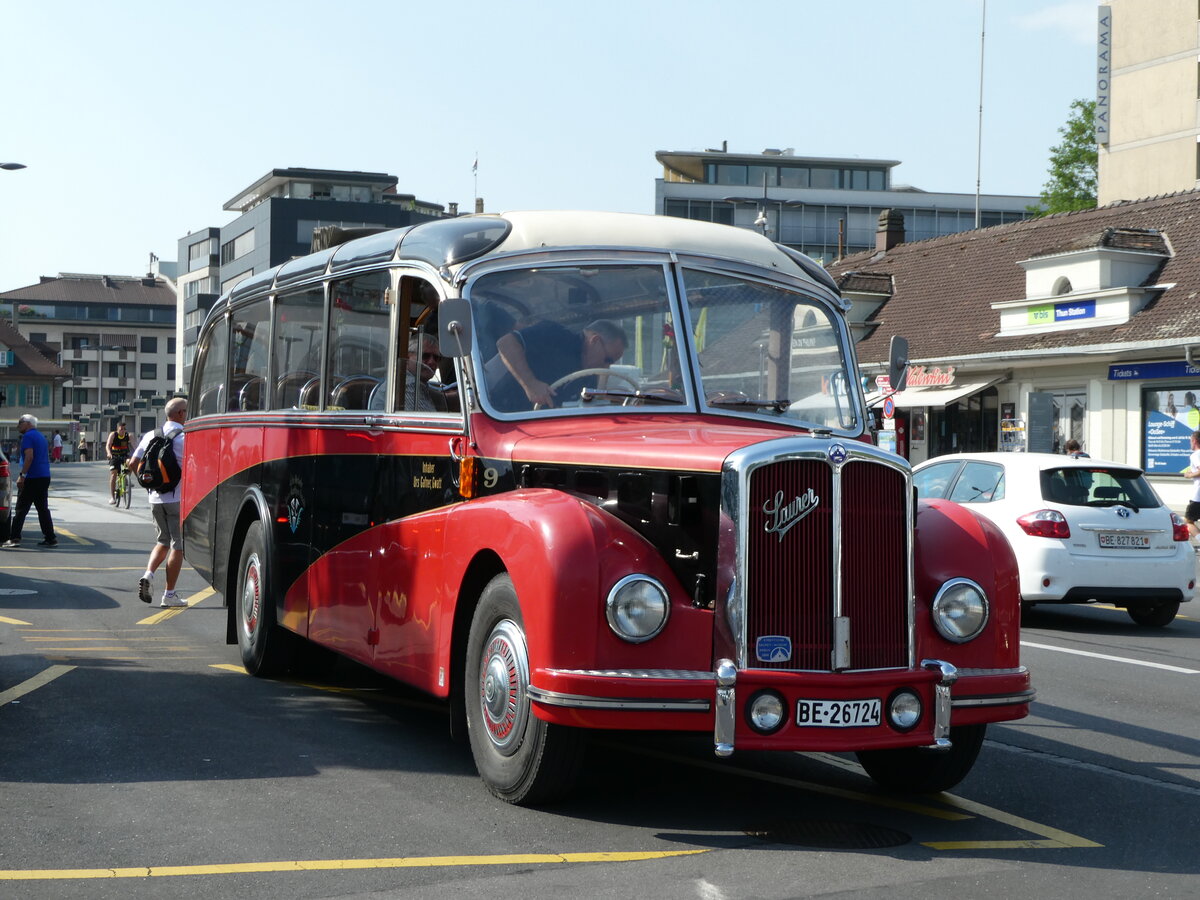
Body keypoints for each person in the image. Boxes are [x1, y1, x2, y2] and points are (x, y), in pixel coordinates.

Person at [488, 318, 628, 411]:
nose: (606, 368)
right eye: (607, 359)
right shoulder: (555, 334)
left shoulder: (590, 376)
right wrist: (530, 384)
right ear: (595, 341)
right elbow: (506, 343)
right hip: (502, 415)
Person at [131, 397, 188, 608]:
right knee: (177, 546)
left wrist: (149, 485)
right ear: (180, 414)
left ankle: (148, 574)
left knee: (162, 541)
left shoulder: (150, 435)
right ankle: (169, 594)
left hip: (155, 498)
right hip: (177, 498)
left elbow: (133, 462)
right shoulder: (185, 437)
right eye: (186, 411)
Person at [3, 414, 57, 548]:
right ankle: (50, 537)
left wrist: (22, 475)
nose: (18, 426)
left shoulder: (28, 437)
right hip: (44, 476)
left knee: (21, 509)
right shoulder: (41, 437)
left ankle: (14, 538)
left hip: (32, 477)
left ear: (28, 423)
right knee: (42, 509)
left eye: (20, 422)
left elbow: (29, 457)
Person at [105, 420, 132, 504]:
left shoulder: (128, 436)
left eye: (124, 429)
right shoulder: (113, 435)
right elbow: (108, 445)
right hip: (114, 456)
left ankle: (127, 478)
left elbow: (136, 446)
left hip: (124, 456)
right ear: (117, 429)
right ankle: (112, 497)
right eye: (121, 429)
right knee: (113, 474)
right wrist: (109, 453)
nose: (123, 431)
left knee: (131, 462)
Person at [1184, 431, 1200, 541]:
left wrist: (1189, 475)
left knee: (1188, 521)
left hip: (1198, 496)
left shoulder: (1196, 455)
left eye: (1190, 440)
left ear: (1194, 441)